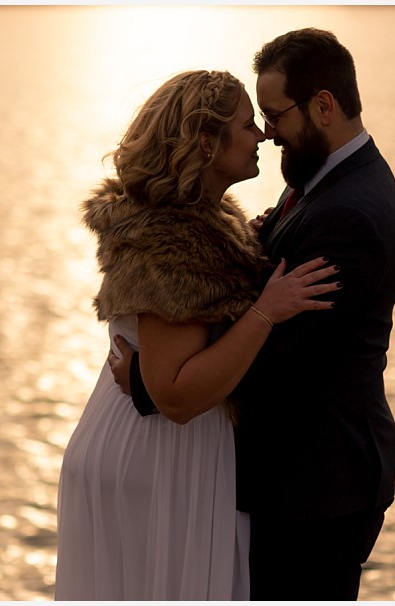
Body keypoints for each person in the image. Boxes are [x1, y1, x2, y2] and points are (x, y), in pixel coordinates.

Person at [111, 29, 395, 600]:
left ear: (324, 105)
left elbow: (285, 357)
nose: (268, 135)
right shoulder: (326, 184)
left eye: (274, 116)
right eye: (258, 120)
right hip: (302, 481)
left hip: (316, 489)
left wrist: (154, 386)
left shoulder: (350, 214)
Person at [53, 69, 341, 600]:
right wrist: (265, 312)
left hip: (158, 445)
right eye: (246, 125)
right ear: (207, 143)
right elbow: (176, 395)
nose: (261, 136)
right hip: (158, 456)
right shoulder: (174, 240)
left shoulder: (204, 224)